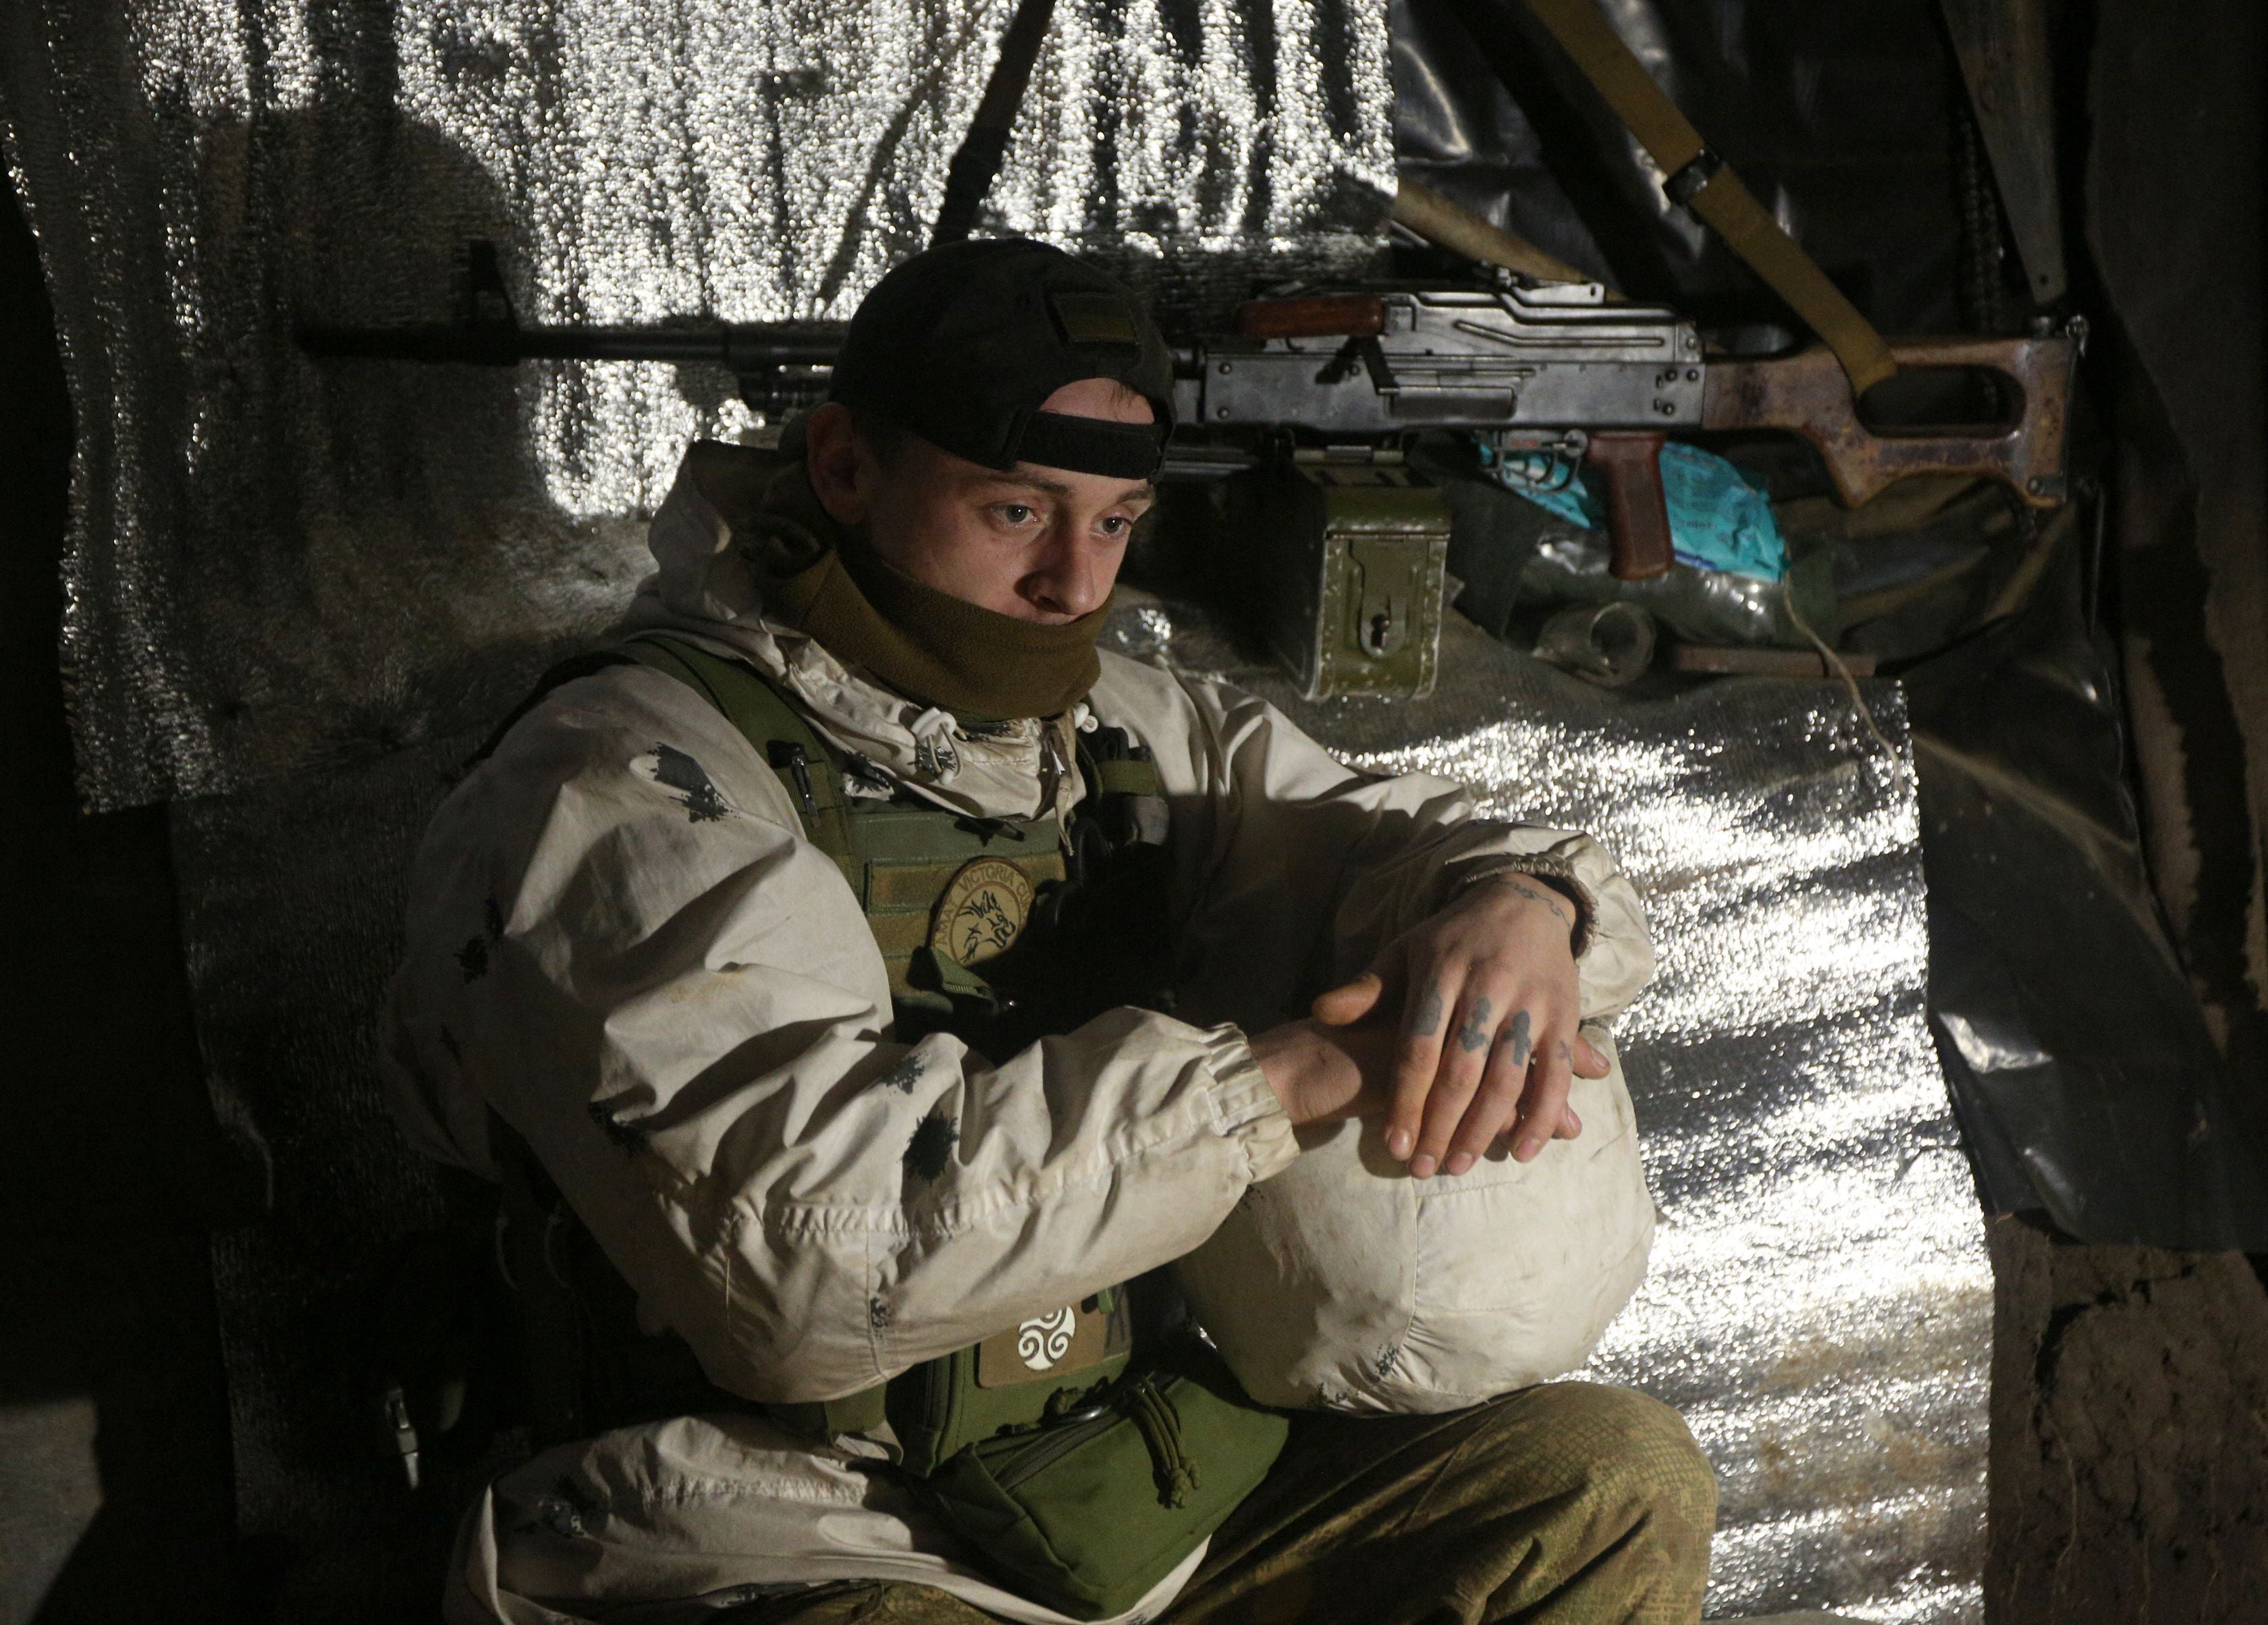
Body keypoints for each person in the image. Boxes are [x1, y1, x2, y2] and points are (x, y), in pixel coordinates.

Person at [379, 238, 1714, 1625]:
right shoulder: (626, 780)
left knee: (1604, 1481)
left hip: (1113, 1486)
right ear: (844, 469)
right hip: (768, 1528)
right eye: (1017, 511)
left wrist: (1520, 906)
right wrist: (1280, 1086)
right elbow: (799, 1270)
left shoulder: (1122, 734)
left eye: (1115, 520)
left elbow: (1379, 836)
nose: (1073, 584)